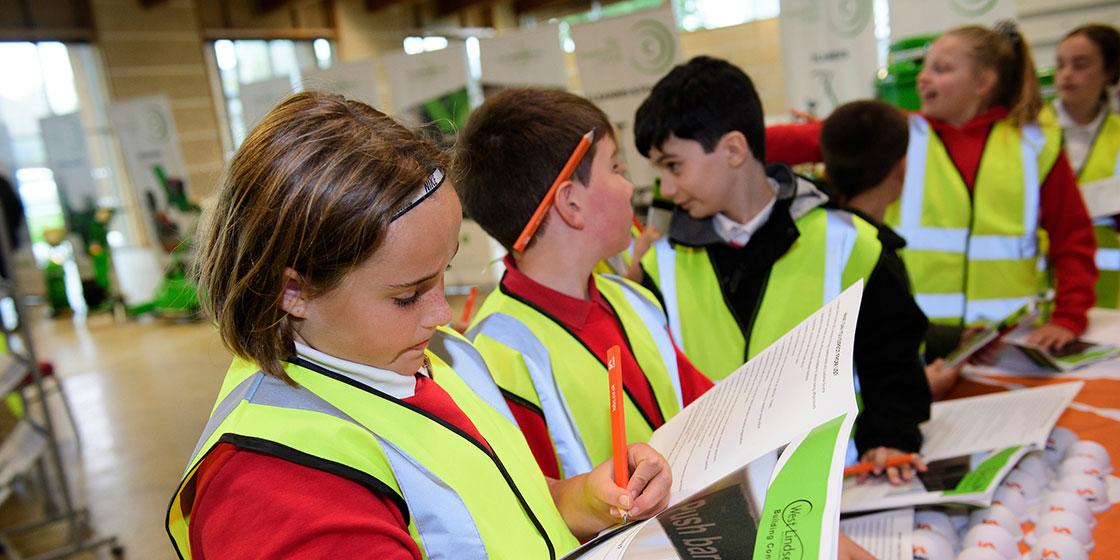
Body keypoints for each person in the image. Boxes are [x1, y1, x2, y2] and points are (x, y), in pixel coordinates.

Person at [166, 92, 671, 559]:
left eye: (443, 274)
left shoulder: (412, 359)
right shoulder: (274, 488)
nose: (442, 316)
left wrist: (590, 497)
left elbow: (508, 513)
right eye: (406, 296)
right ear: (292, 290)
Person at [632, 56, 932, 484]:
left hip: (842, 489)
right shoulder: (658, 265)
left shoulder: (850, 243)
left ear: (735, 149)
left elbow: (894, 361)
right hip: (717, 502)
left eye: (673, 165)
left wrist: (890, 437)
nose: (668, 188)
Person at [451, 88, 714, 479]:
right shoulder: (497, 356)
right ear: (571, 203)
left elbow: (711, 412)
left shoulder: (633, 300)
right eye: (617, 168)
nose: (630, 186)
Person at [820, 99, 964, 400]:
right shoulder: (872, 255)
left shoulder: (818, 234)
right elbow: (869, 369)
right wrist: (919, 388)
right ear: (900, 168)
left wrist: (959, 337)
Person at [1052, 24, 1120, 308]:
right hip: (1042, 291)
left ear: (1109, 71)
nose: (1067, 74)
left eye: (1080, 65)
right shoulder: (1030, 131)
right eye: (1060, 65)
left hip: (1109, 295)